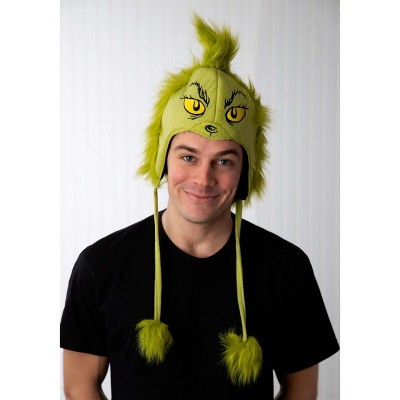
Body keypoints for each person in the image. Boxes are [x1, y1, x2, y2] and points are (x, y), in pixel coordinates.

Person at [61, 15, 339, 400]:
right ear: (162, 159)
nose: (203, 179)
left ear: (245, 171)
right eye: (188, 157)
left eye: (224, 161)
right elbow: (79, 385)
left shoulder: (287, 268)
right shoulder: (101, 266)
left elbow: (301, 390)